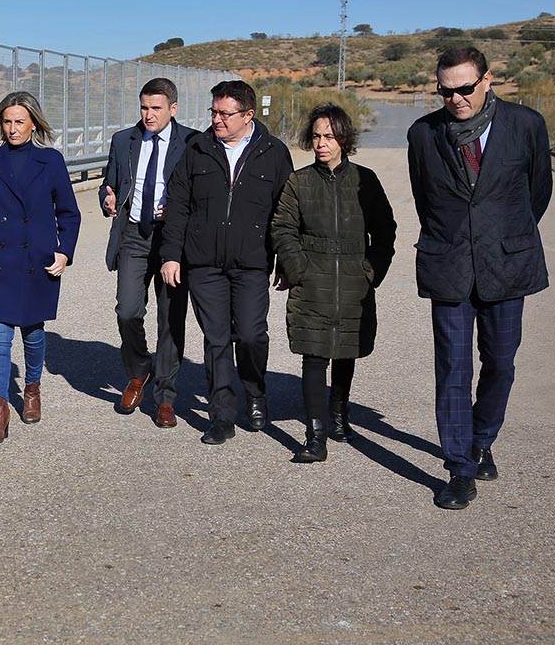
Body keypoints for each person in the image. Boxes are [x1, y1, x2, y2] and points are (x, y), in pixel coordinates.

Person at [407, 46, 551, 510]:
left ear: (488, 80)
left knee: (501, 363)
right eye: (446, 91)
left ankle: (481, 439)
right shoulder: (423, 134)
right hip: (449, 265)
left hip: (506, 264)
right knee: (452, 369)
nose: (456, 99)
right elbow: (424, 199)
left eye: (465, 88)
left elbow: (536, 194)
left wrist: (501, 237)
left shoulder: (525, 126)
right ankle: (459, 469)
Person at [160, 80, 293, 445]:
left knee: (251, 335)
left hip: (252, 263)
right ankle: (221, 415)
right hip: (204, 263)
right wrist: (172, 255)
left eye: (225, 113)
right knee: (216, 339)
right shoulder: (197, 149)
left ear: (248, 115)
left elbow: (286, 212)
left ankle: (255, 393)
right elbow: (178, 206)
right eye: (214, 112)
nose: (217, 119)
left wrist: (284, 260)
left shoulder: (274, 152)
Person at [271, 104, 396, 462]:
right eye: (316, 136)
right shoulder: (299, 181)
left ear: (344, 139)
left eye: (329, 136)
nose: (321, 143)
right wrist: (299, 270)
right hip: (312, 281)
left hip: (355, 282)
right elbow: (283, 229)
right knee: (314, 356)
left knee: (346, 352)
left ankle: (340, 415)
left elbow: (385, 231)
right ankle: (315, 435)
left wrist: (371, 272)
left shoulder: (366, 180)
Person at [0, 91, 81, 444]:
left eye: (19, 122)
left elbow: (69, 212)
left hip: (37, 260)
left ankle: (32, 389)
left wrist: (64, 253)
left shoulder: (52, 161)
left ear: (33, 124)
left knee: (32, 331)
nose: (12, 129)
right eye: (7, 121)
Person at [99, 78, 200, 427]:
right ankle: (139, 371)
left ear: (173, 108)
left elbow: (201, 194)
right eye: (144, 107)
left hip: (173, 240)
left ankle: (166, 397)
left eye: (156, 108)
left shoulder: (193, 142)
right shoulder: (123, 140)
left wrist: (176, 210)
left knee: (170, 319)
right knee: (127, 311)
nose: (148, 114)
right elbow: (108, 183)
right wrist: (107, 199)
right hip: (133, 235)